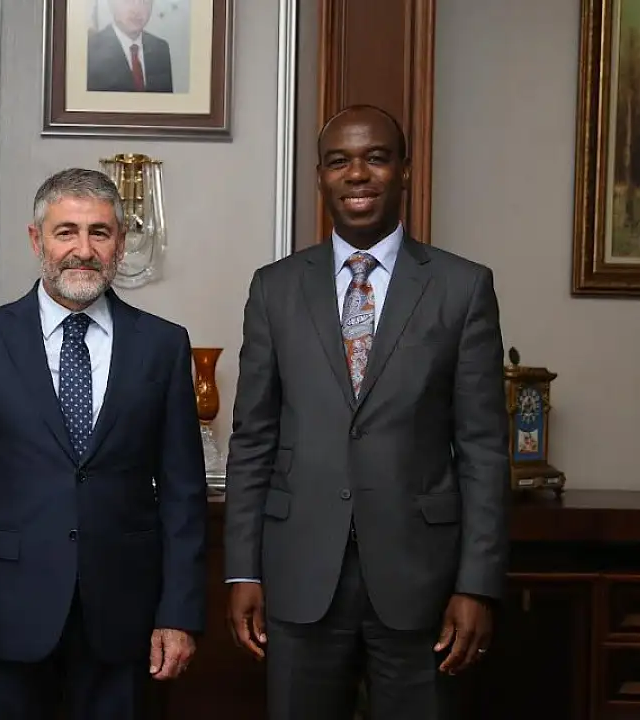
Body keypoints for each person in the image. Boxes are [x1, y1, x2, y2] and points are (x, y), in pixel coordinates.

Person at [222, 104, 510, 720]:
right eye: (339, 161)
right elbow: (252, 439)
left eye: (376, 158)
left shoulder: (463, 288)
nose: (358, 174)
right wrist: (242, 571)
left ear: (404, 169)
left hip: (421, 580)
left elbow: (483, 449)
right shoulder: (274, 288)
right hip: (299, 573)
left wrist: (477, 584)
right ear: (320, 176)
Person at [0, 168, 207, 719]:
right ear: (37, 240)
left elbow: (183, 495)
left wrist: (179, 613)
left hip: (125, 619)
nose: (83, 250)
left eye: (99, 232)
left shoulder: (163, 345)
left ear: (119, 243)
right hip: (4, 619)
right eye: (66, 232)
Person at [87, 0, 174, 93]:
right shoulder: (90, 49)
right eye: (128, 1)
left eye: (144, 2)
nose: (136, 10)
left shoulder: (161, 49)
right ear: (111, 4)